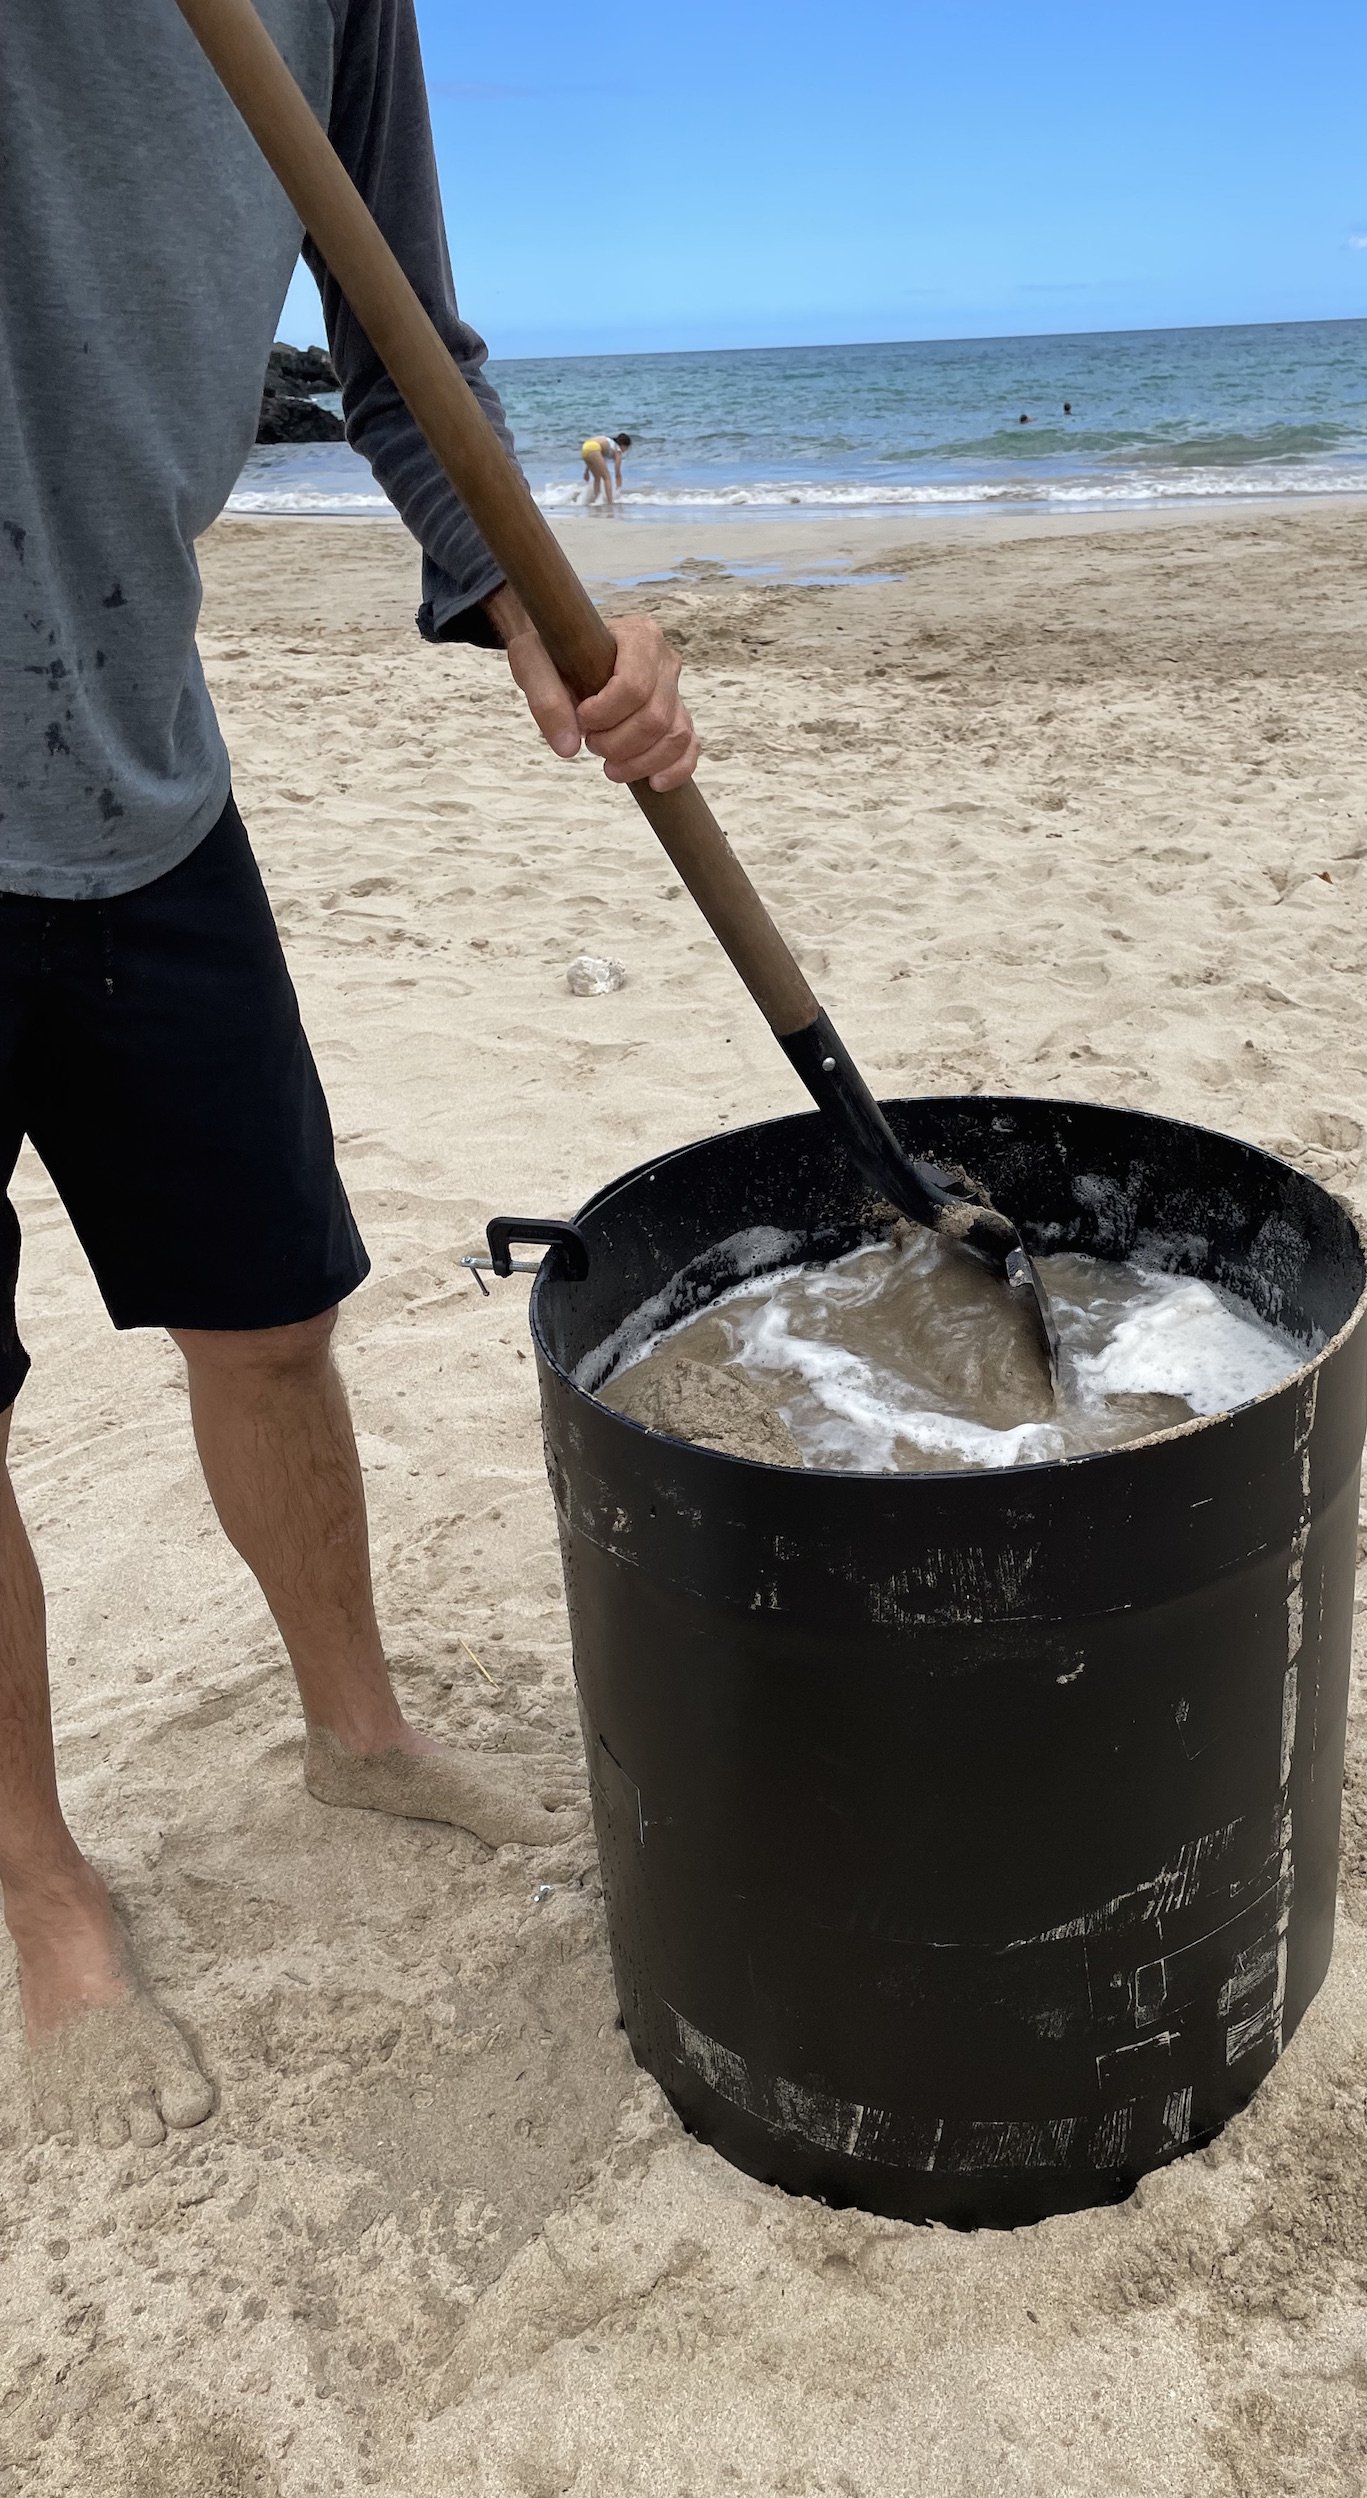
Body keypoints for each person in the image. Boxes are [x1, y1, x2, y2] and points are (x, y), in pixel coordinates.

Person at [1, 0, 699, 2147]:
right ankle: (39, 1893)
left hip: (125, 754)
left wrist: (531, 595)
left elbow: (391, 333)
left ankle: (357, 1723)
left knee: (273, 1303)